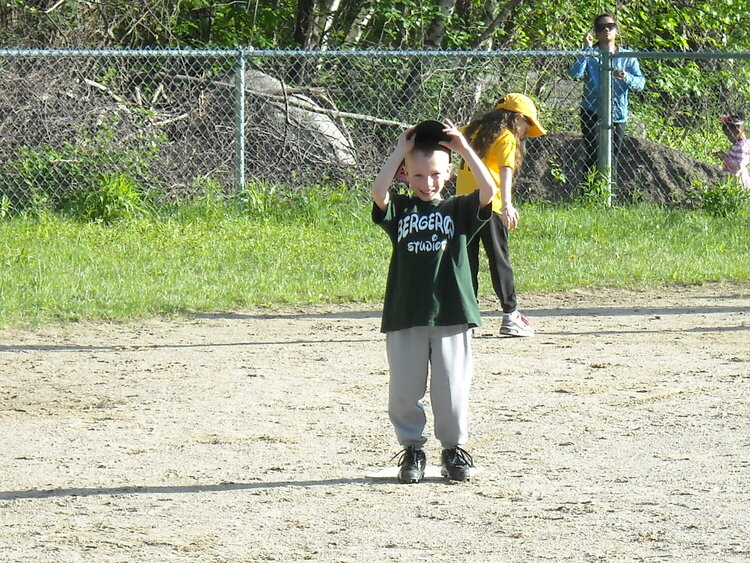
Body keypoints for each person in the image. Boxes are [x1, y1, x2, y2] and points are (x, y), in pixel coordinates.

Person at [371, 119, 497, 483]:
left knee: (452, 389)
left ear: (448, 174)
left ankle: (453, 449)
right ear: (405, 176)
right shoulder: (401, 210)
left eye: (436, 174)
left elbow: (488, 190)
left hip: (452, 313)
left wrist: (463, 149)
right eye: (419, 175)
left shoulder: (458, 210)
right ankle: (412, 450)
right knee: (404, 389)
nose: (428, 183)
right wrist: (400, 151)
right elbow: (378, 193)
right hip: (406, 312)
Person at [455, 93, 547, 338]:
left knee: (467, 262)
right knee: (499, 260)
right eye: (527, 124)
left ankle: (466, 320)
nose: (527, 131)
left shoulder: (471, 130)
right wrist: (507, 205)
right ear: (517, 118)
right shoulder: (506, 136)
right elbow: (506, 172)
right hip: (490, 205)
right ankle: (510, 315)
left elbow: (447, 135)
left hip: (463, 204)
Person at [568, 13, 646, 179]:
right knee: (593, 153)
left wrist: (626, 77)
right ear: (596, 32)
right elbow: (575, 73)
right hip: (592, 110)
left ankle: (608, 195)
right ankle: (588, 195)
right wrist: (586, 49)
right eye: (601, 27)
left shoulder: (627, 56)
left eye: (610, 26)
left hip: (617, 113)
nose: (606, 30)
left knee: (613, 155)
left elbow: (641, 84)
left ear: (616, 30)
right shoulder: (591, 54)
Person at [715, 112, 750, 190]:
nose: (728, 138)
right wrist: (727, 155)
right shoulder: (746, 144)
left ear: (737, 132)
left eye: (729, 135)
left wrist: (724, 158)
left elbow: (738, 166)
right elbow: (737, 158)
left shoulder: (740, 147)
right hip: (742, 177)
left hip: (736, 181)